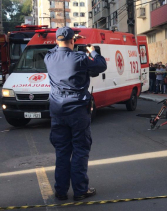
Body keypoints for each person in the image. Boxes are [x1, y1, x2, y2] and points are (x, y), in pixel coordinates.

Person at [44, 27, 107, 201]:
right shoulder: (79, 58)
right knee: (80, 149)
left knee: (62, 151)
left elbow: (58, 48)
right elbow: (101, 65)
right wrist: (93, 51)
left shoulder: (49, 58)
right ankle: (80, 190)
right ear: (73, 41)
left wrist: (68, 41)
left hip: (57, 110)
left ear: (57, 41)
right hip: (77, 111)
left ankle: (61, 191)